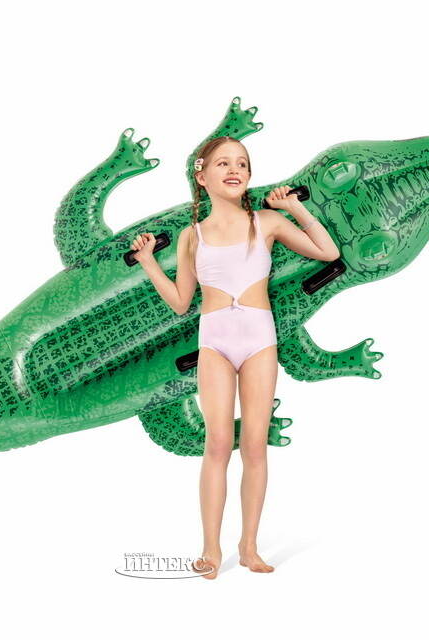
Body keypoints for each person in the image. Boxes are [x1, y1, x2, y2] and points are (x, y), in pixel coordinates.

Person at [130, 136, 340, 579]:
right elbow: (180, 302)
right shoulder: (192, 236)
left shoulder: (266, 222)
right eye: (223, 163)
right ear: (202, 175)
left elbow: (328, 252)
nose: (234, 169)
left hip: (259, 341)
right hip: (215, 343)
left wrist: (295, 208)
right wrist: (148, 261)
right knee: (218, 443)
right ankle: (210, 549)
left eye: (242, 163)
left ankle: (249, 546)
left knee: (255, 445)